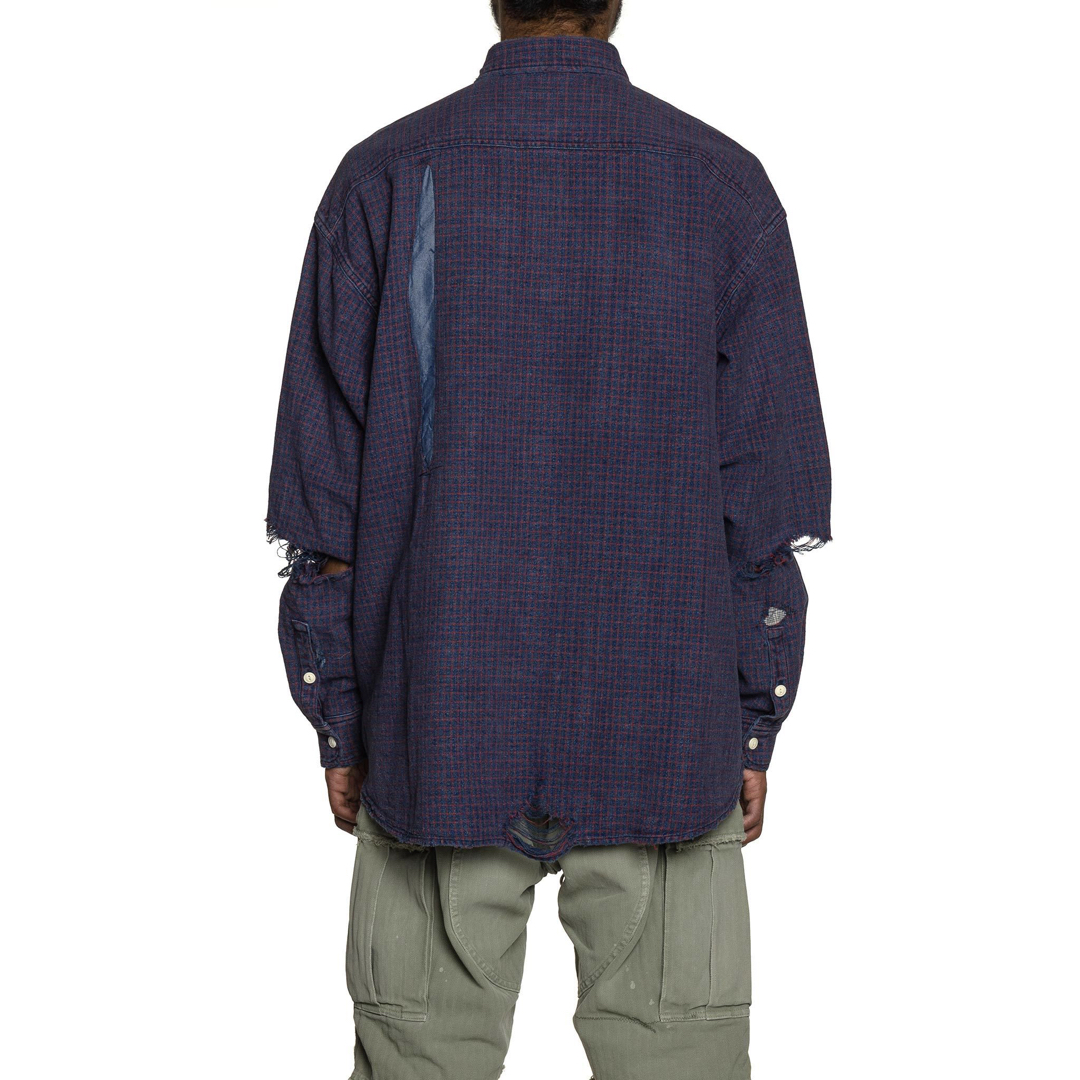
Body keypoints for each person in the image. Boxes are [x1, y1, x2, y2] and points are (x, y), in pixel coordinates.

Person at [265, 1, 831, 1076]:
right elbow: (766, 506)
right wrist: (751, 724)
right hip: (667, 732)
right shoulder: (721, 185)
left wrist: (342, 720)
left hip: (436, 726)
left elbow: (321, 506)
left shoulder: (383, 177)